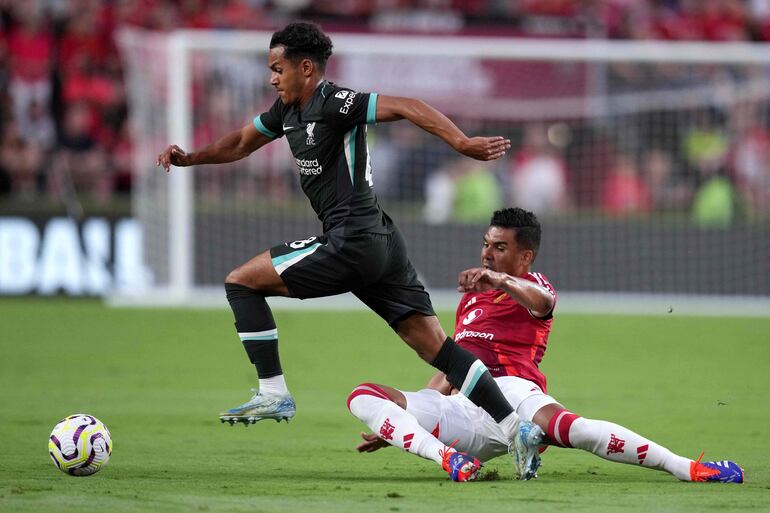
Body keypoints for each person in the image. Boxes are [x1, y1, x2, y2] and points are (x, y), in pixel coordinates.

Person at [155, 21, 543, 478]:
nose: (272, 78)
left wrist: (460, 142)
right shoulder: (286, 110)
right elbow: (241, 142)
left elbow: (408, 105)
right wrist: (191, 158)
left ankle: (273, 390)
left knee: (240, 282)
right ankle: (517, 427)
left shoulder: (336, 102)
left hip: (352, 237)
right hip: (380, 243)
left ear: (306, 67)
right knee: (437, 349)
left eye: (278, 69)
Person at [348, 207, 744, 484]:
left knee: (578, 430)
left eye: (499, 247)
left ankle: (687, 468)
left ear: (525, 256)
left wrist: (500, 281)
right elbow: (451, 368)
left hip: (514, 396)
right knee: (363, 397)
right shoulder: (470, 300)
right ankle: (450, 460)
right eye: (486, 243)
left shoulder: (535, 287)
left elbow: (543, 303)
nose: (486, 253)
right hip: (463, 410)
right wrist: (400, 424)